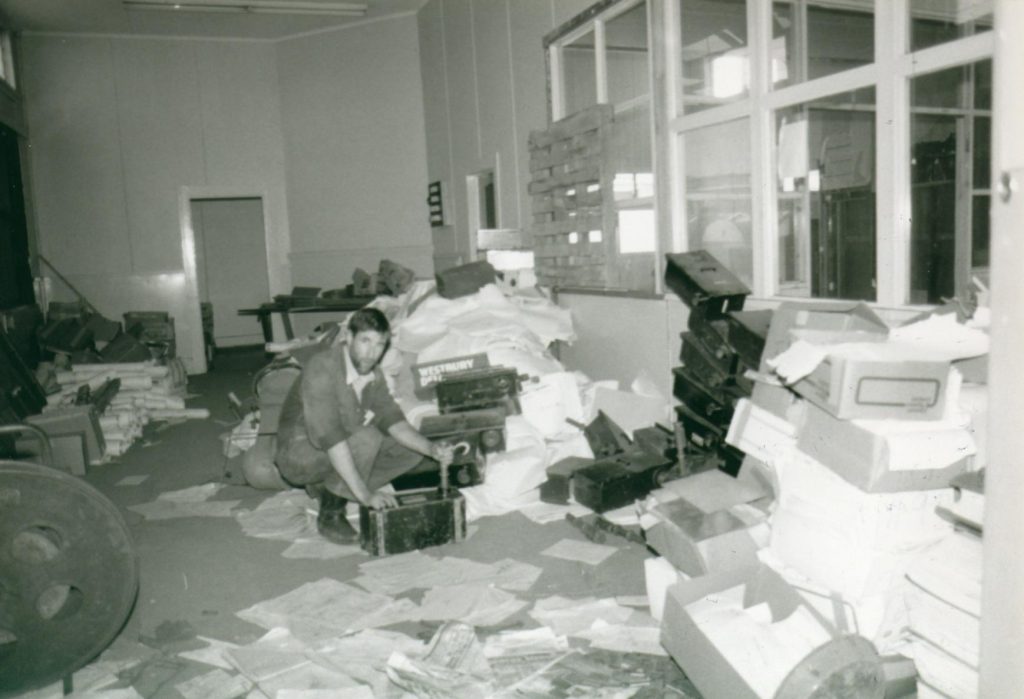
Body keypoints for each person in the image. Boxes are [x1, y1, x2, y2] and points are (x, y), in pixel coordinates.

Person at [274, 307, 453, 543]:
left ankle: (330, 488)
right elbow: (332, 440)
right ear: (348, 338)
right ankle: (331, 513)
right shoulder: (322, 368)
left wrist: (431, 449)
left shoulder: (374, 375)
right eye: (365, 341)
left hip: (339, 444)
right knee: (368, 438)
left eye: (380, 344)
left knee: (409, 450)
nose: (371, 352)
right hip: (298, 454)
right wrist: (366, 496)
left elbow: (394, 421)